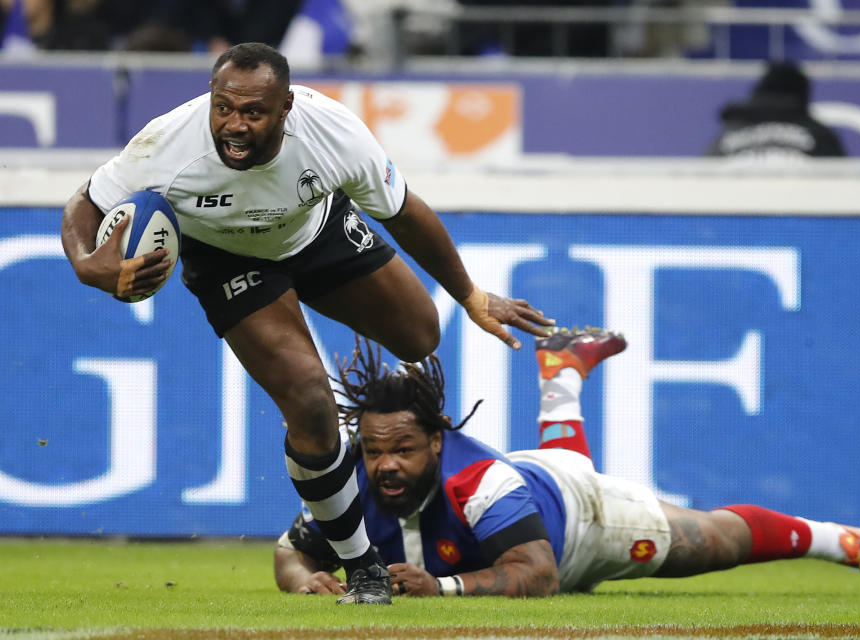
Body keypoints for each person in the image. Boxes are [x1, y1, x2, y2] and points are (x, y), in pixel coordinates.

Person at [59, 42, 554, 605]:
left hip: (314, 230)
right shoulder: (167, 143)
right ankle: (364, 569)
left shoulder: (333, 134)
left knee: (421, 335)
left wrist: (468, 294)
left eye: (253, 112)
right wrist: (87, 265)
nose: (234, 125)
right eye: (224, 108)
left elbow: (406, 212)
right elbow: (85, 205)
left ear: (287, 106)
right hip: (226, 259)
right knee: (310, 401)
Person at [274, 328, 860, 597]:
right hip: (542, 482)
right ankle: (560, 373)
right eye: (377, 449)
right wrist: (307, 581)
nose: (386, 464)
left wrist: (442, 588)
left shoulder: (481, 484)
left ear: (438, 445)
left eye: (404, 450)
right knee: (566, 467)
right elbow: (291, 554)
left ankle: (839, 541)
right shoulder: (350, 482)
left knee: (710, 542)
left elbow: (538, 573)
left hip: (581, 526)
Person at [706, 60, 846, 160]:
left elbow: (704, 175)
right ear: (803, 94)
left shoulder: (728, 133)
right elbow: (844, 181)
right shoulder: (821, 136)